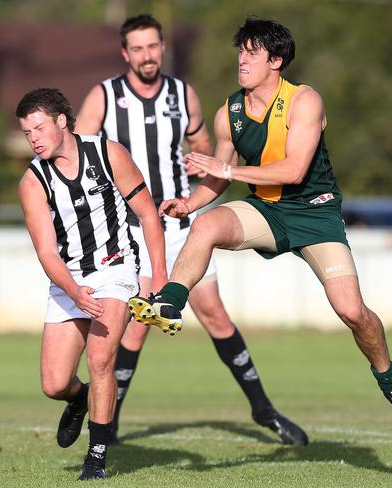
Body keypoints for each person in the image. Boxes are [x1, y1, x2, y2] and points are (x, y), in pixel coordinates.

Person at [129, 18, 392, 430]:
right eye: (241, 51)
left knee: (352, 311)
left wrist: (227, 173)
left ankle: (390, 381)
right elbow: (218, 173)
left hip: (315, 213)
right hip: (267, 210)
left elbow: (293, 170)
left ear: (277, 61)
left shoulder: (304, 101)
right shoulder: (229, 112)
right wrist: (189, 201)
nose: (242, 59)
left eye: (252, 52)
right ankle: (170, 303)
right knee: (205, 225)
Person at [76, 14, 308, 446]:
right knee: (139, 324)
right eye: (138, 48)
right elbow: (75, 155)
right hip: (132, 228)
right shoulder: (104, 97)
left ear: (162, 48)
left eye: (153, 47)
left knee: (216, 315)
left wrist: (198, 158)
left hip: (180, 220)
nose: (147, 55)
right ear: (125, 53)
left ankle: (263, 409)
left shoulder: (183, 95)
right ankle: (106, 425)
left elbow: (203, 144)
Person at [16, 88, 167, 480]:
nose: (33, 138)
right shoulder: (32, 182)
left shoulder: (107, 153)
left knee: (101, 360)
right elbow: (48, 253)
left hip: (116, 270)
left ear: (61, 121)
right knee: (53, 384)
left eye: (38, 127)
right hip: (69, 279)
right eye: (26, 132)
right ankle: (81, 398)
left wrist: (161, 275)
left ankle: (96, 457)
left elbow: (148, 214)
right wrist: (72, 289)